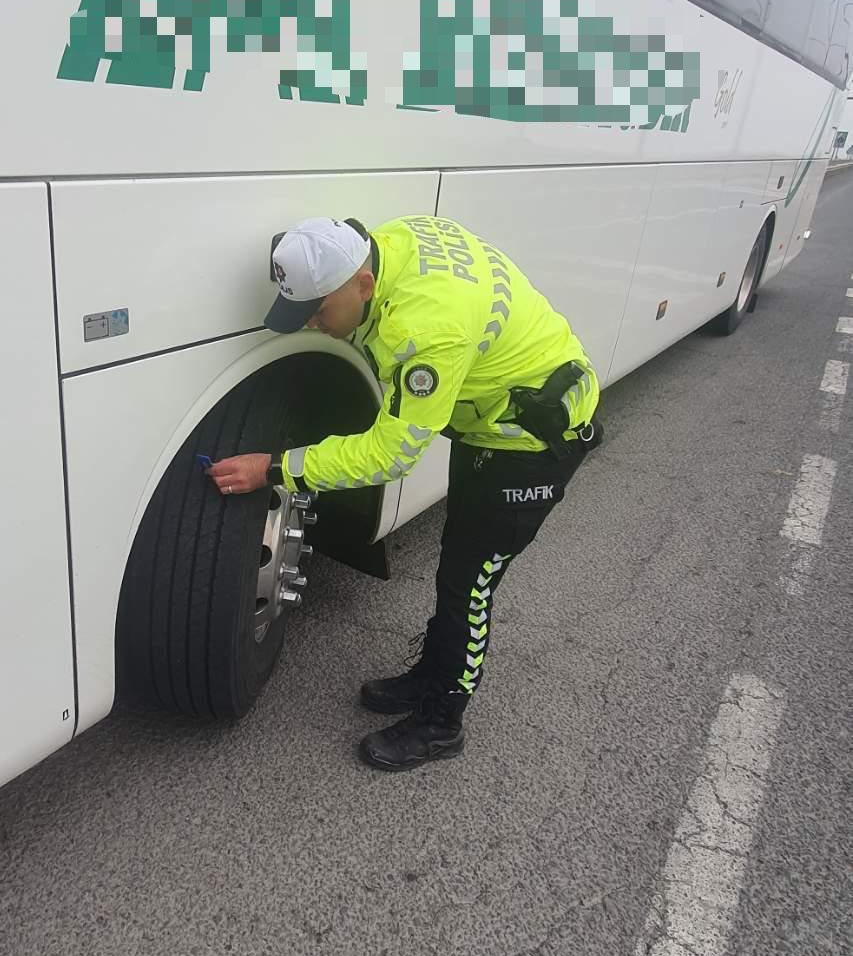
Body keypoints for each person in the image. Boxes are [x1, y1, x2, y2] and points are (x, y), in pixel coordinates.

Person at [208, 215, 602, 771]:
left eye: (321, 311)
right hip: (494, 422)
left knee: (471, 583)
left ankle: (443, 722)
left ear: (363, 285)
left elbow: (390, 455)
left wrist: (273, 468)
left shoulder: (423, 331)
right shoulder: (391, 243)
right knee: (455, 568)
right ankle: (429, 678)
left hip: (532, 443)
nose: (315, 325)